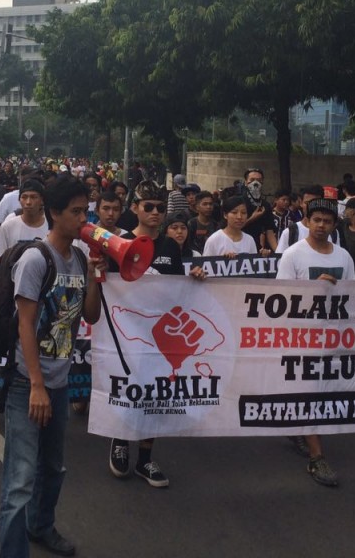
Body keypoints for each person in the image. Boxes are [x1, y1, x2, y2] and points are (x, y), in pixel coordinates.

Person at [0, 176, 103, 558]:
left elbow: (89, 314)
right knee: (20, 480)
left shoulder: (77, 258)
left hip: (57, 381)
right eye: (75, 211)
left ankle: (41, 527)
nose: (83, 218)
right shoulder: (34, 259)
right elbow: (25, 323)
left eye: (85, 210)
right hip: (30, 382)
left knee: (53, 468)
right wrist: (38, 385)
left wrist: (94, 277)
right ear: (54, 213)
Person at [108, 181, 205, 489]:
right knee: (128, 389)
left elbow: (176, 290)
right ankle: (121, 439)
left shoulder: (169, 246)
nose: (154, 212)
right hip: (127, 332)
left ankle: (145, 457)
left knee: (157, 394)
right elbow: (108, 285)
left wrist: (193, 279)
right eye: (147, 206)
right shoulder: (118, 242)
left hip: (160, 335)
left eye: (160, 207)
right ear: (134, 208)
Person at [275, 197, 355, 487]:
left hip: (332, 335)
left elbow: (353, 296)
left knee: (322, 393)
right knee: (309, 392)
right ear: (307, 221)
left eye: (327, 221)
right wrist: (312, 289)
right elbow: (281, 299)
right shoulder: (293, 255)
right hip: (302, 337)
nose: (321, 225)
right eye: (316, 220)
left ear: (335, 225)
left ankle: (300, 427)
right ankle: (316, 457)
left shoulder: (343, 257)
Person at [0, 179, 48, 257]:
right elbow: (0, 258)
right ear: (19, 200)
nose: (28, 202)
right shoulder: (7, 227)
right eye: (24, 197)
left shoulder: (51, 227)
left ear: (42, 200)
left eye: (33, 197)